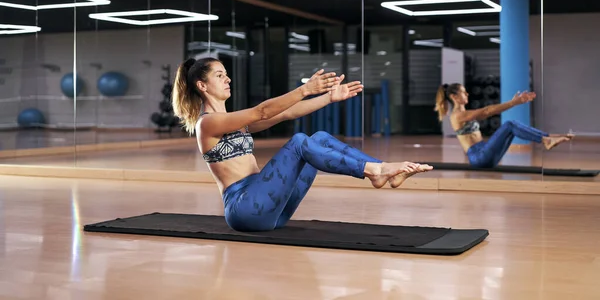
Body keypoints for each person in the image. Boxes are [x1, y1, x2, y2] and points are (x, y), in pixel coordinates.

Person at [172, 57, 432, 232]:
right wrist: (304, 89)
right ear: (202, 85)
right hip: (245, 208)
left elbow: (285, 113)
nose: (227, 79)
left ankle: (380, 170)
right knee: (298, 142)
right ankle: (374, 171)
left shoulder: (233, 121)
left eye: (227, 74)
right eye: (220, 75)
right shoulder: (206, 124)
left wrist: (329, 98)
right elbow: (262, 111)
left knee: (317, 138)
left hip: (273, 208)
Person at [435, 83, 573, 168]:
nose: (467, 94)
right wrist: (513, 103)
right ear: (454, 97)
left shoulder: (466, 114)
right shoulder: (456, 116)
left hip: (485, 153)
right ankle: (546, 139)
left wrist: (513, 103)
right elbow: (486, 110)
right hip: (478, 157)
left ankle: (547, 137)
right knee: (510, 125)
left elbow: (487, 113)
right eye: (463, 92)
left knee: (512, 127)